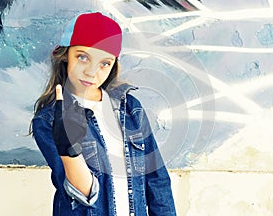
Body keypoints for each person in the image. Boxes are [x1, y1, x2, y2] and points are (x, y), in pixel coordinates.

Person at [31, 12, 176, 216]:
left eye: (104, 63)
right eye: (82, 57)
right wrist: (69, 149)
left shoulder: (130, 109)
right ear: (65, 56)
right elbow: (82, 194)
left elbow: (157, 181)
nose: (91, 72)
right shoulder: (47, 120)